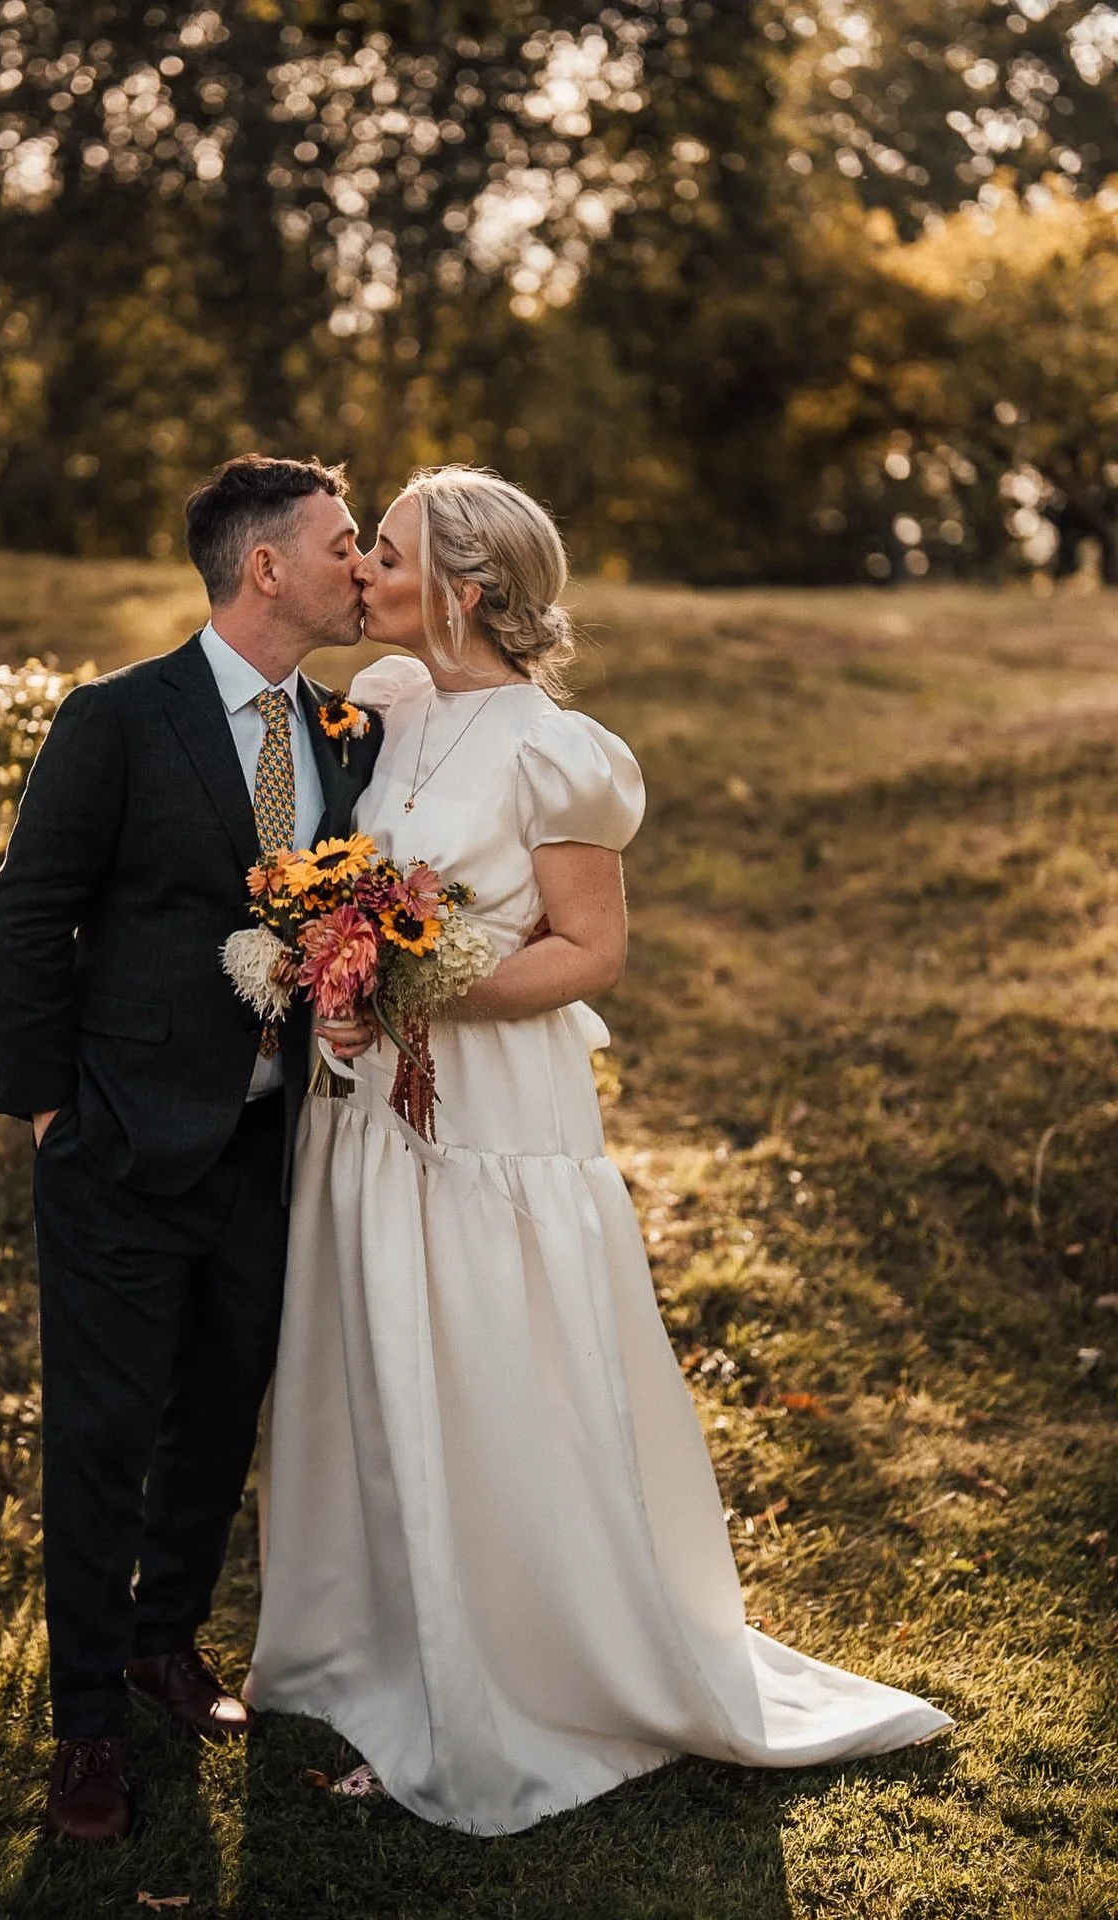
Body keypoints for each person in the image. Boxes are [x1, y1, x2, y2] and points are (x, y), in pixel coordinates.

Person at [245, 466, 952, 1835]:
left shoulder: (560, 752)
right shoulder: (384, 708)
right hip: (370, 1118)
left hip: (495, 1117)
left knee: (491, 1365)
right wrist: (343, 969)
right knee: (379, 1358)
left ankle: (522, 1668)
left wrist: (406, 986)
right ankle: (370, 1648)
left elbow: (590, 952)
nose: (360, 575)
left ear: (463, 588)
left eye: (382, 555)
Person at [0, 454, 381, 1841]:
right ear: (264, 565)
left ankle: (166, 1643)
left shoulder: (345, 733)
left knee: (220, 1411)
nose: (363, 563)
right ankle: (87, 1723)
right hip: (118, 1149)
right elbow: (28, 914)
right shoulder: (117, 718)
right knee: (103, 1435)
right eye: (343, 542)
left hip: (276, 1151)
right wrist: (48, 1112)